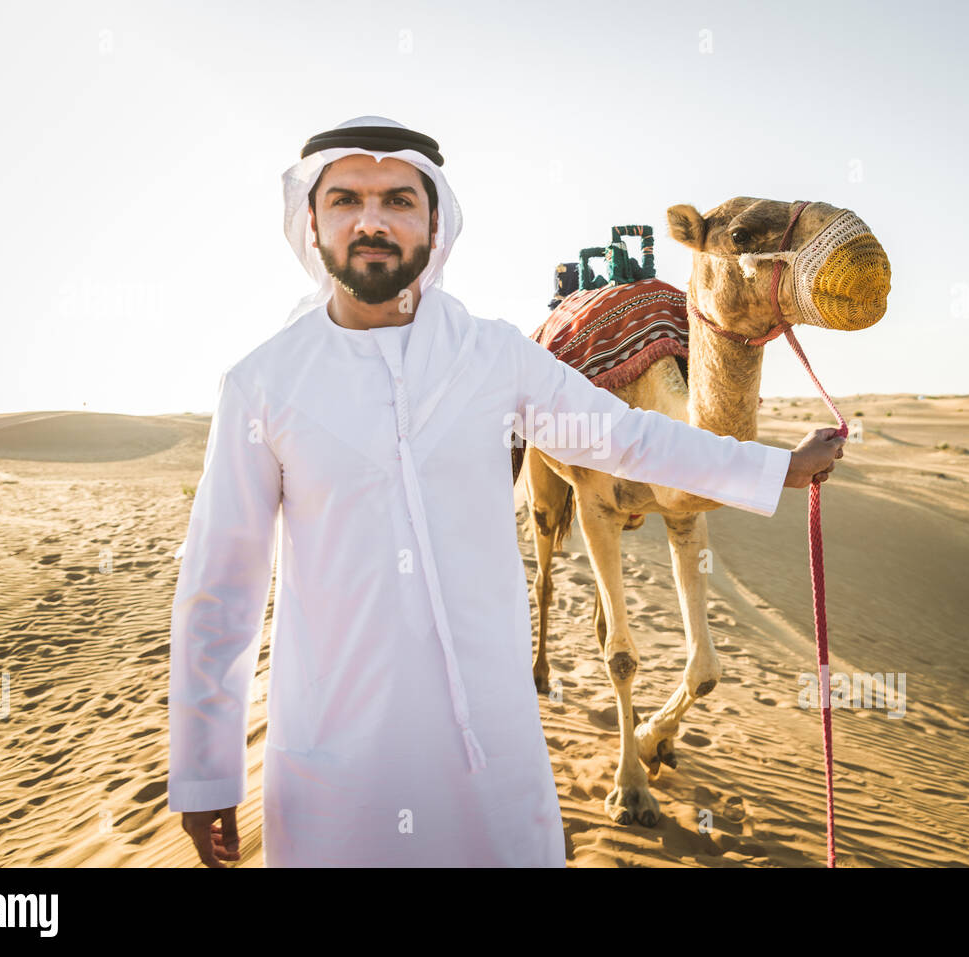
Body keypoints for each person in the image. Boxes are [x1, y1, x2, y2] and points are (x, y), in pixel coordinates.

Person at [166, 115, 845, 867]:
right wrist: (204, 770)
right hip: (338, 768)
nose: (371, 221)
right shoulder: (263, 384)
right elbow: (219, 586)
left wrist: (773, 466)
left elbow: (627, 437)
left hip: (490, 760)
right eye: (345, 200)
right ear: (312, 223)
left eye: (398, 200)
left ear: (434, 223)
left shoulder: (494, 356)